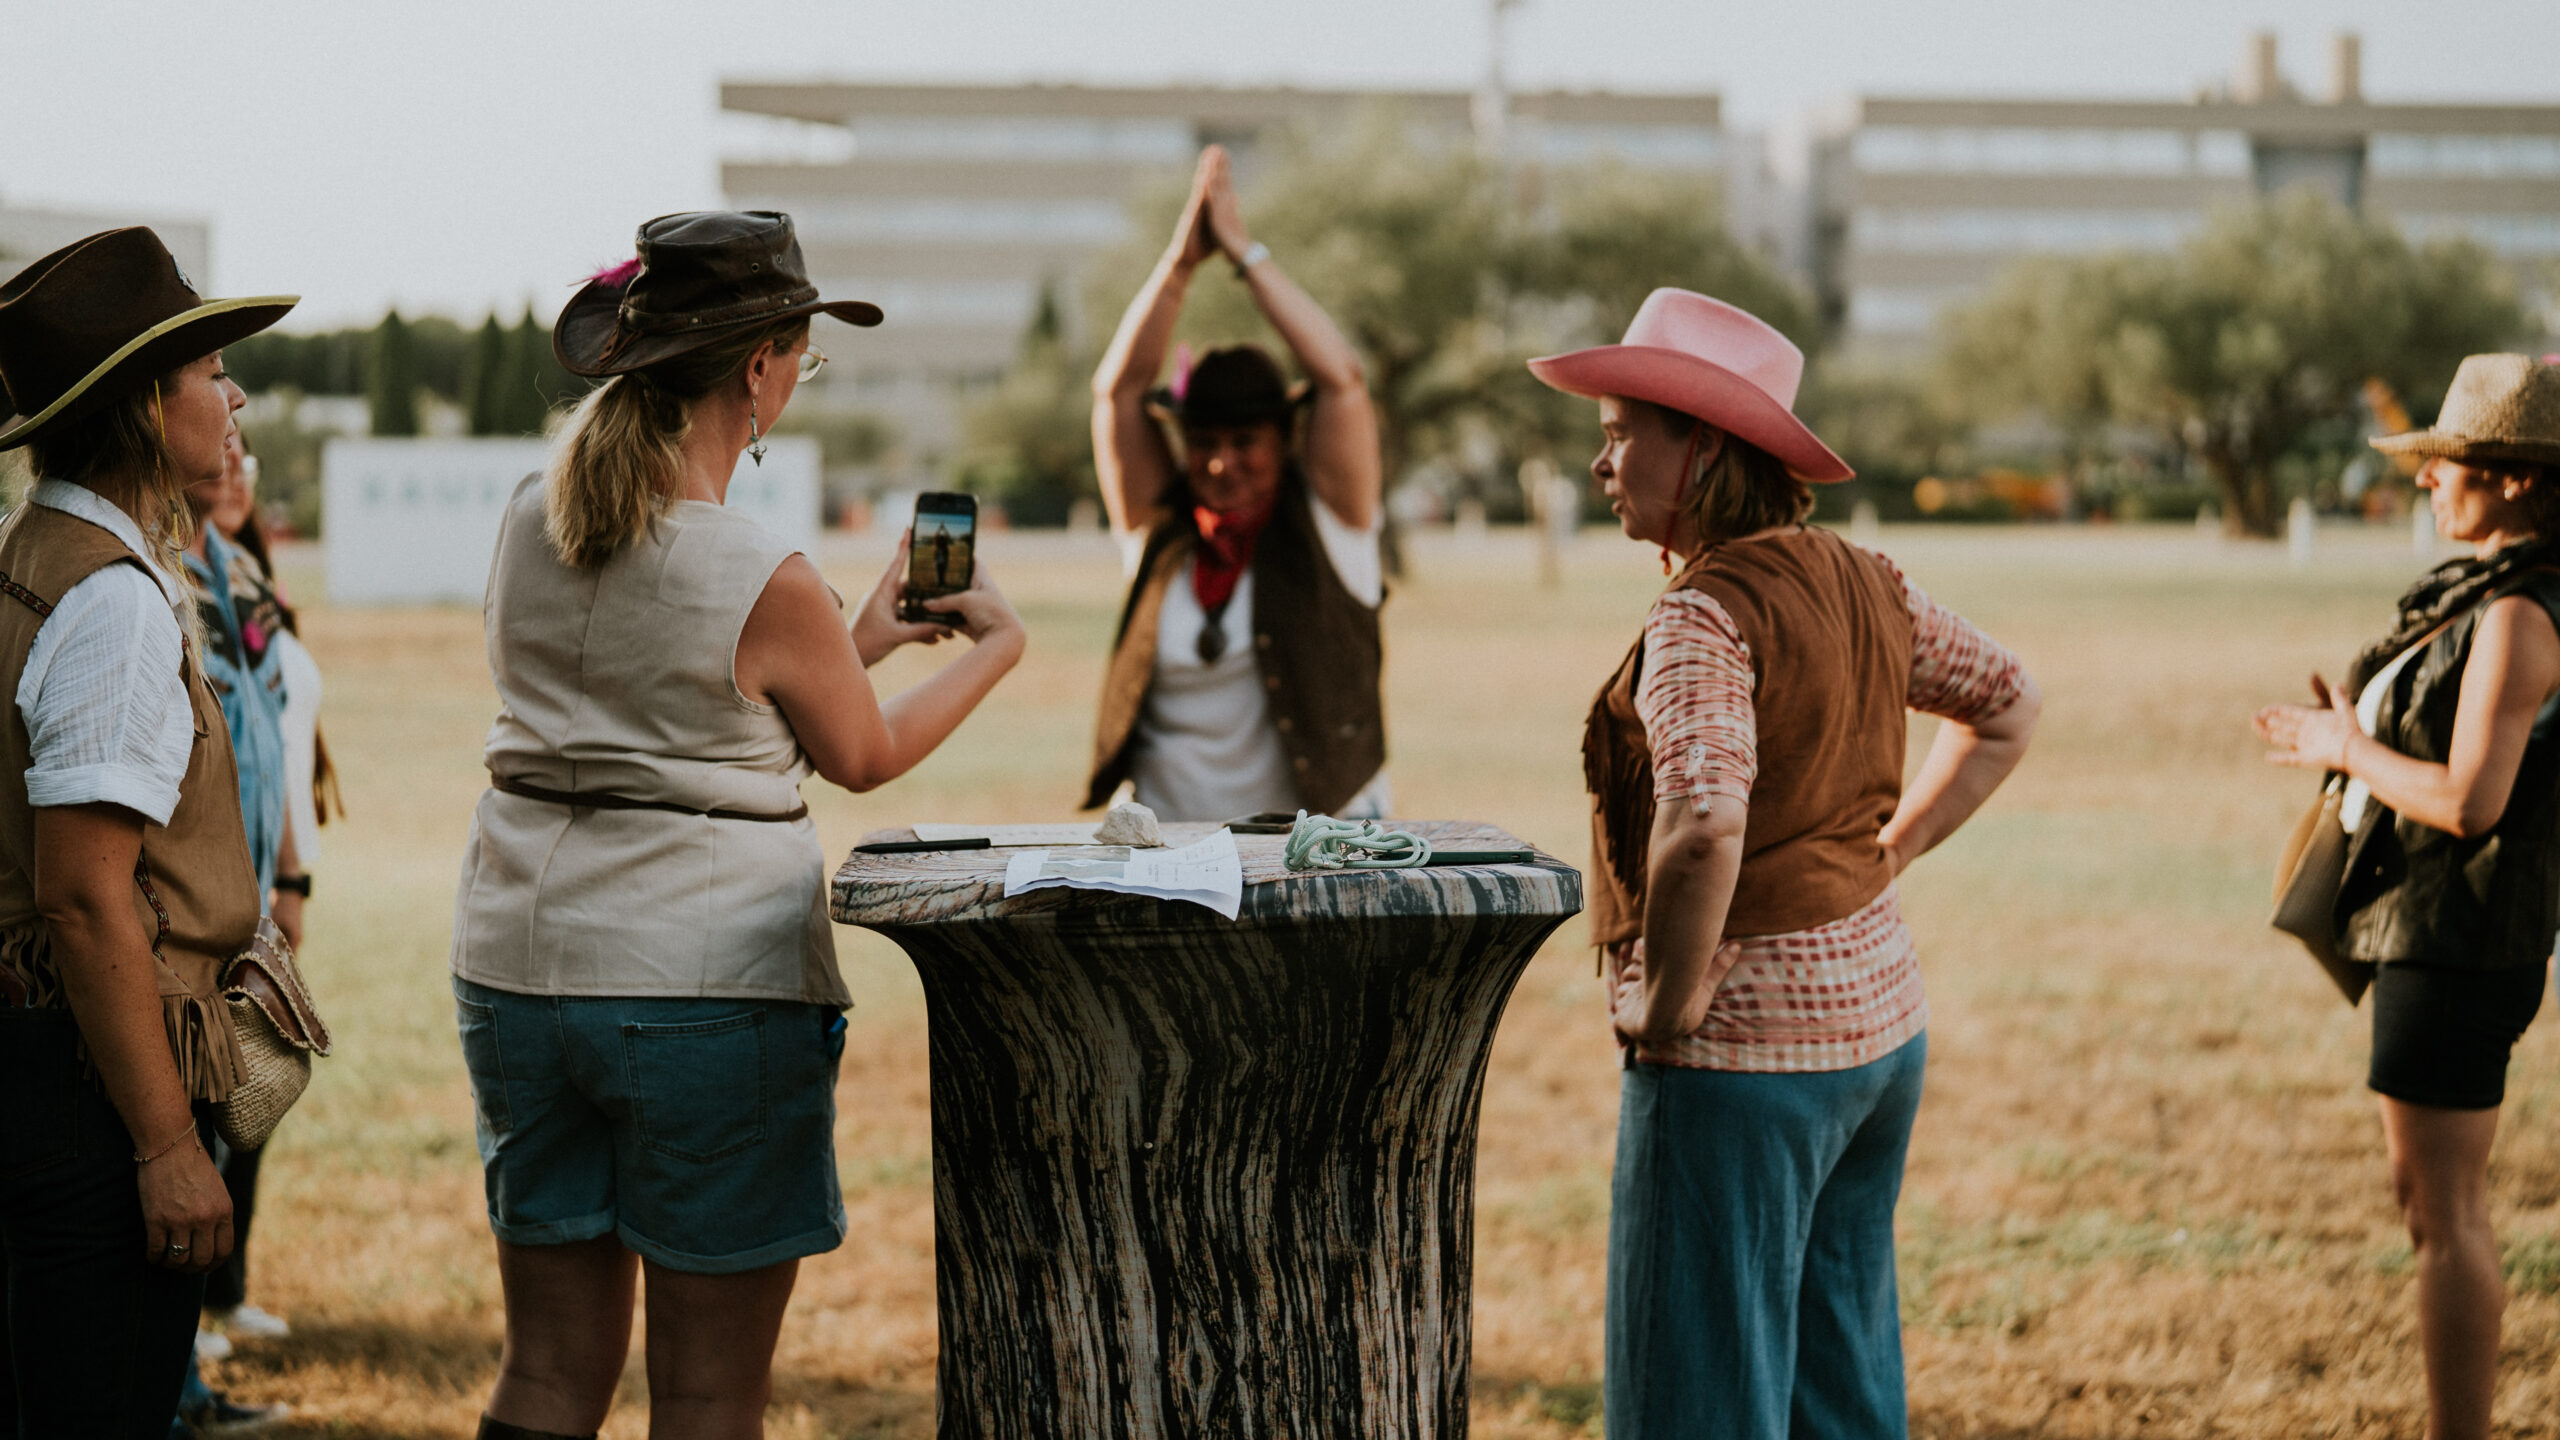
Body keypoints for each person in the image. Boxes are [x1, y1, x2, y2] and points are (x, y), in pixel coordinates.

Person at [450, 211, 1025, 1440]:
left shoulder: (524, 517)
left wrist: (849, 635)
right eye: (800, 358)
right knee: (709, 1398)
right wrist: (999, 651)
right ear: (760, 366)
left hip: (518, 967)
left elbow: (670, 696)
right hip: (701, 985)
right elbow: (859, 756)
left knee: (546, 1374)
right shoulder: (760, 570)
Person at [1527, 288, 2039, 1439]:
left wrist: (1662, 1006)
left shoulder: (1701, 617)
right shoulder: (1871, 582)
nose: (1601, 462)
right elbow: (2010, 702)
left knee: (1695, 1399)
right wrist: (1887, 854)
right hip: (1877, 1037)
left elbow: (1705, 822)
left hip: (1741, 1059)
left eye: (1620, 433)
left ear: (1701, 446)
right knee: (1838, 1388)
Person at [0, 227, 295, 1437]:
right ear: (138, 405)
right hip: (88, 1085)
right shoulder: (111, 602)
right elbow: (82, 897)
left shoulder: (33, 555)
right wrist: (169, 1147)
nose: (232, 396)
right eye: (207, 371)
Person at [2254, 353, 2560, 1440]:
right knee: (2434, 1208)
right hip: (2438, 934)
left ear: (2518, 477)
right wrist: (2362, 729)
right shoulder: (2484, 593)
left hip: (2460, 940)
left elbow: (2473, 802)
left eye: (2447, 461)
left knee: (2447, 1218)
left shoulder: (2521, 613)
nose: (2427, 479)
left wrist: (2343, 743)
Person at [1086, 144, 1388, 822]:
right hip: (1171, 857)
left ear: (1283, 443)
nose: (1222, 463)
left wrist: (1246, 256)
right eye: (1203, 443)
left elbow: (1342, 380)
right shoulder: (1159, 533)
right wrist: (1178, 266)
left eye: (1245, 440)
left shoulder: (1333, 524)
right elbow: (1117, 392)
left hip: (1316, 859)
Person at [168, 432, 307, 1434]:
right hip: (185, 917)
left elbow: (271, 737)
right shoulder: (149, 572)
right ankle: (171, 1387)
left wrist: (287, 877)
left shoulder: (235, 575)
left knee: (239, 1112)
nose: (238, 437)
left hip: (243, 904)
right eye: (214, 397)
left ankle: (186, 1371)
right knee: (184, 1141)